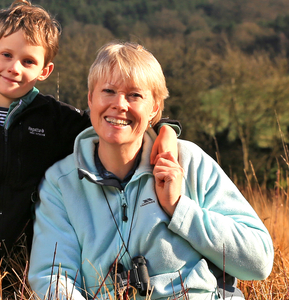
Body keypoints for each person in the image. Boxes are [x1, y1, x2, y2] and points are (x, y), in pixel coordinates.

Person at [0, 0, 180, 290]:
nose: (14, 68)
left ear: (45, 70)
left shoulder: (55, 120)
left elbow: (113, 120)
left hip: (23, 276)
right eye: (6, 55)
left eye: (28, 61)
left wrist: (166, 129)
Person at [28, 42, 274, 300]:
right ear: (90, 99)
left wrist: (179, 208)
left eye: (134, 95)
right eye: (108, 91)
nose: (119, 104)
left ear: (155, 108)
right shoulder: (60, 183)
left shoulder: (188, 162)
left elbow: (259, 262)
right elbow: (54, 276)